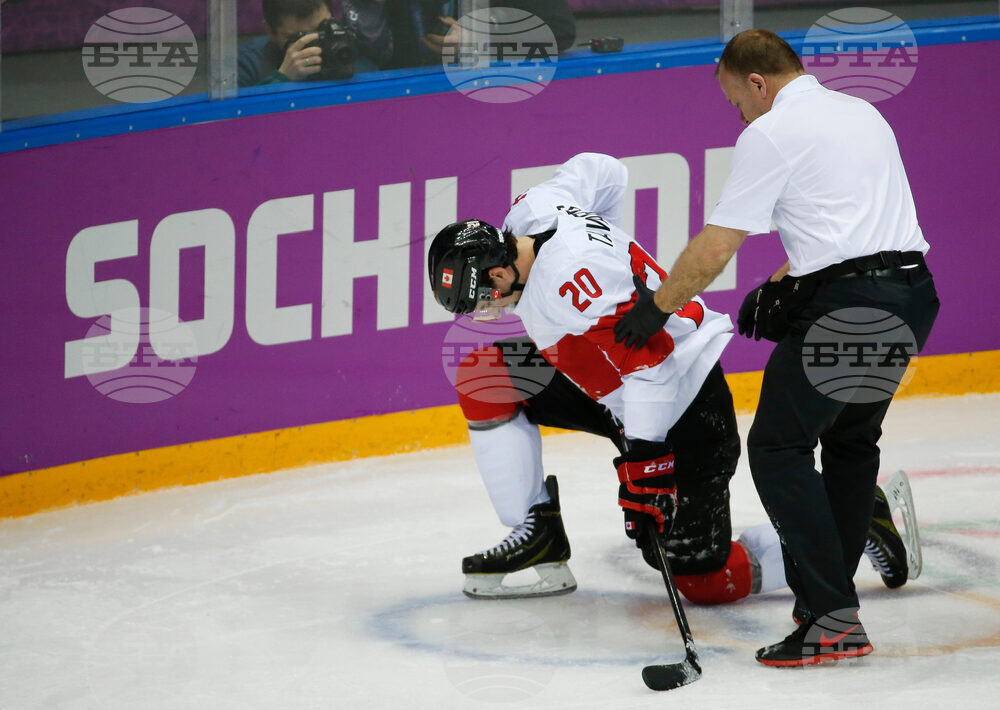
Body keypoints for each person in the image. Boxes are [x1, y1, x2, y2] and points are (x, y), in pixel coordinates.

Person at [427, 152, 911, 613]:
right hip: (617, 377)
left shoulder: (570, 286)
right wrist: (609, 244)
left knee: (701, 579)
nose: (488, 309)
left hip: (683, 401)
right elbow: (605, 171)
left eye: (483, 297)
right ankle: (537, 533)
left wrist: (645, 460)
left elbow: (652, 364)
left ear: (498, 269)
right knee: (486, 374)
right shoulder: (532, 211)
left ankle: (850, 516)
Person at [612, 30, 939, 667]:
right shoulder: (862, 112)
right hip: (912, 299)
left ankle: (831, 616)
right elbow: (849, 227)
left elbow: (714, 246)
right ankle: (826, 608)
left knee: (777, 447)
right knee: (848, 443)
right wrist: (784, 283)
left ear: (757, 82)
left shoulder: (768, 133)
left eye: (737, 100)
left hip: (849, 312)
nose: (738, 113)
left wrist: (657, 307)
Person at [237, 0, 390, 88]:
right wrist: (281, 79)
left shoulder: (352, 60)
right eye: (298, 38)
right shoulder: (246, 66)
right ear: (270, 32)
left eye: (321, 30)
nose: (314, 44)